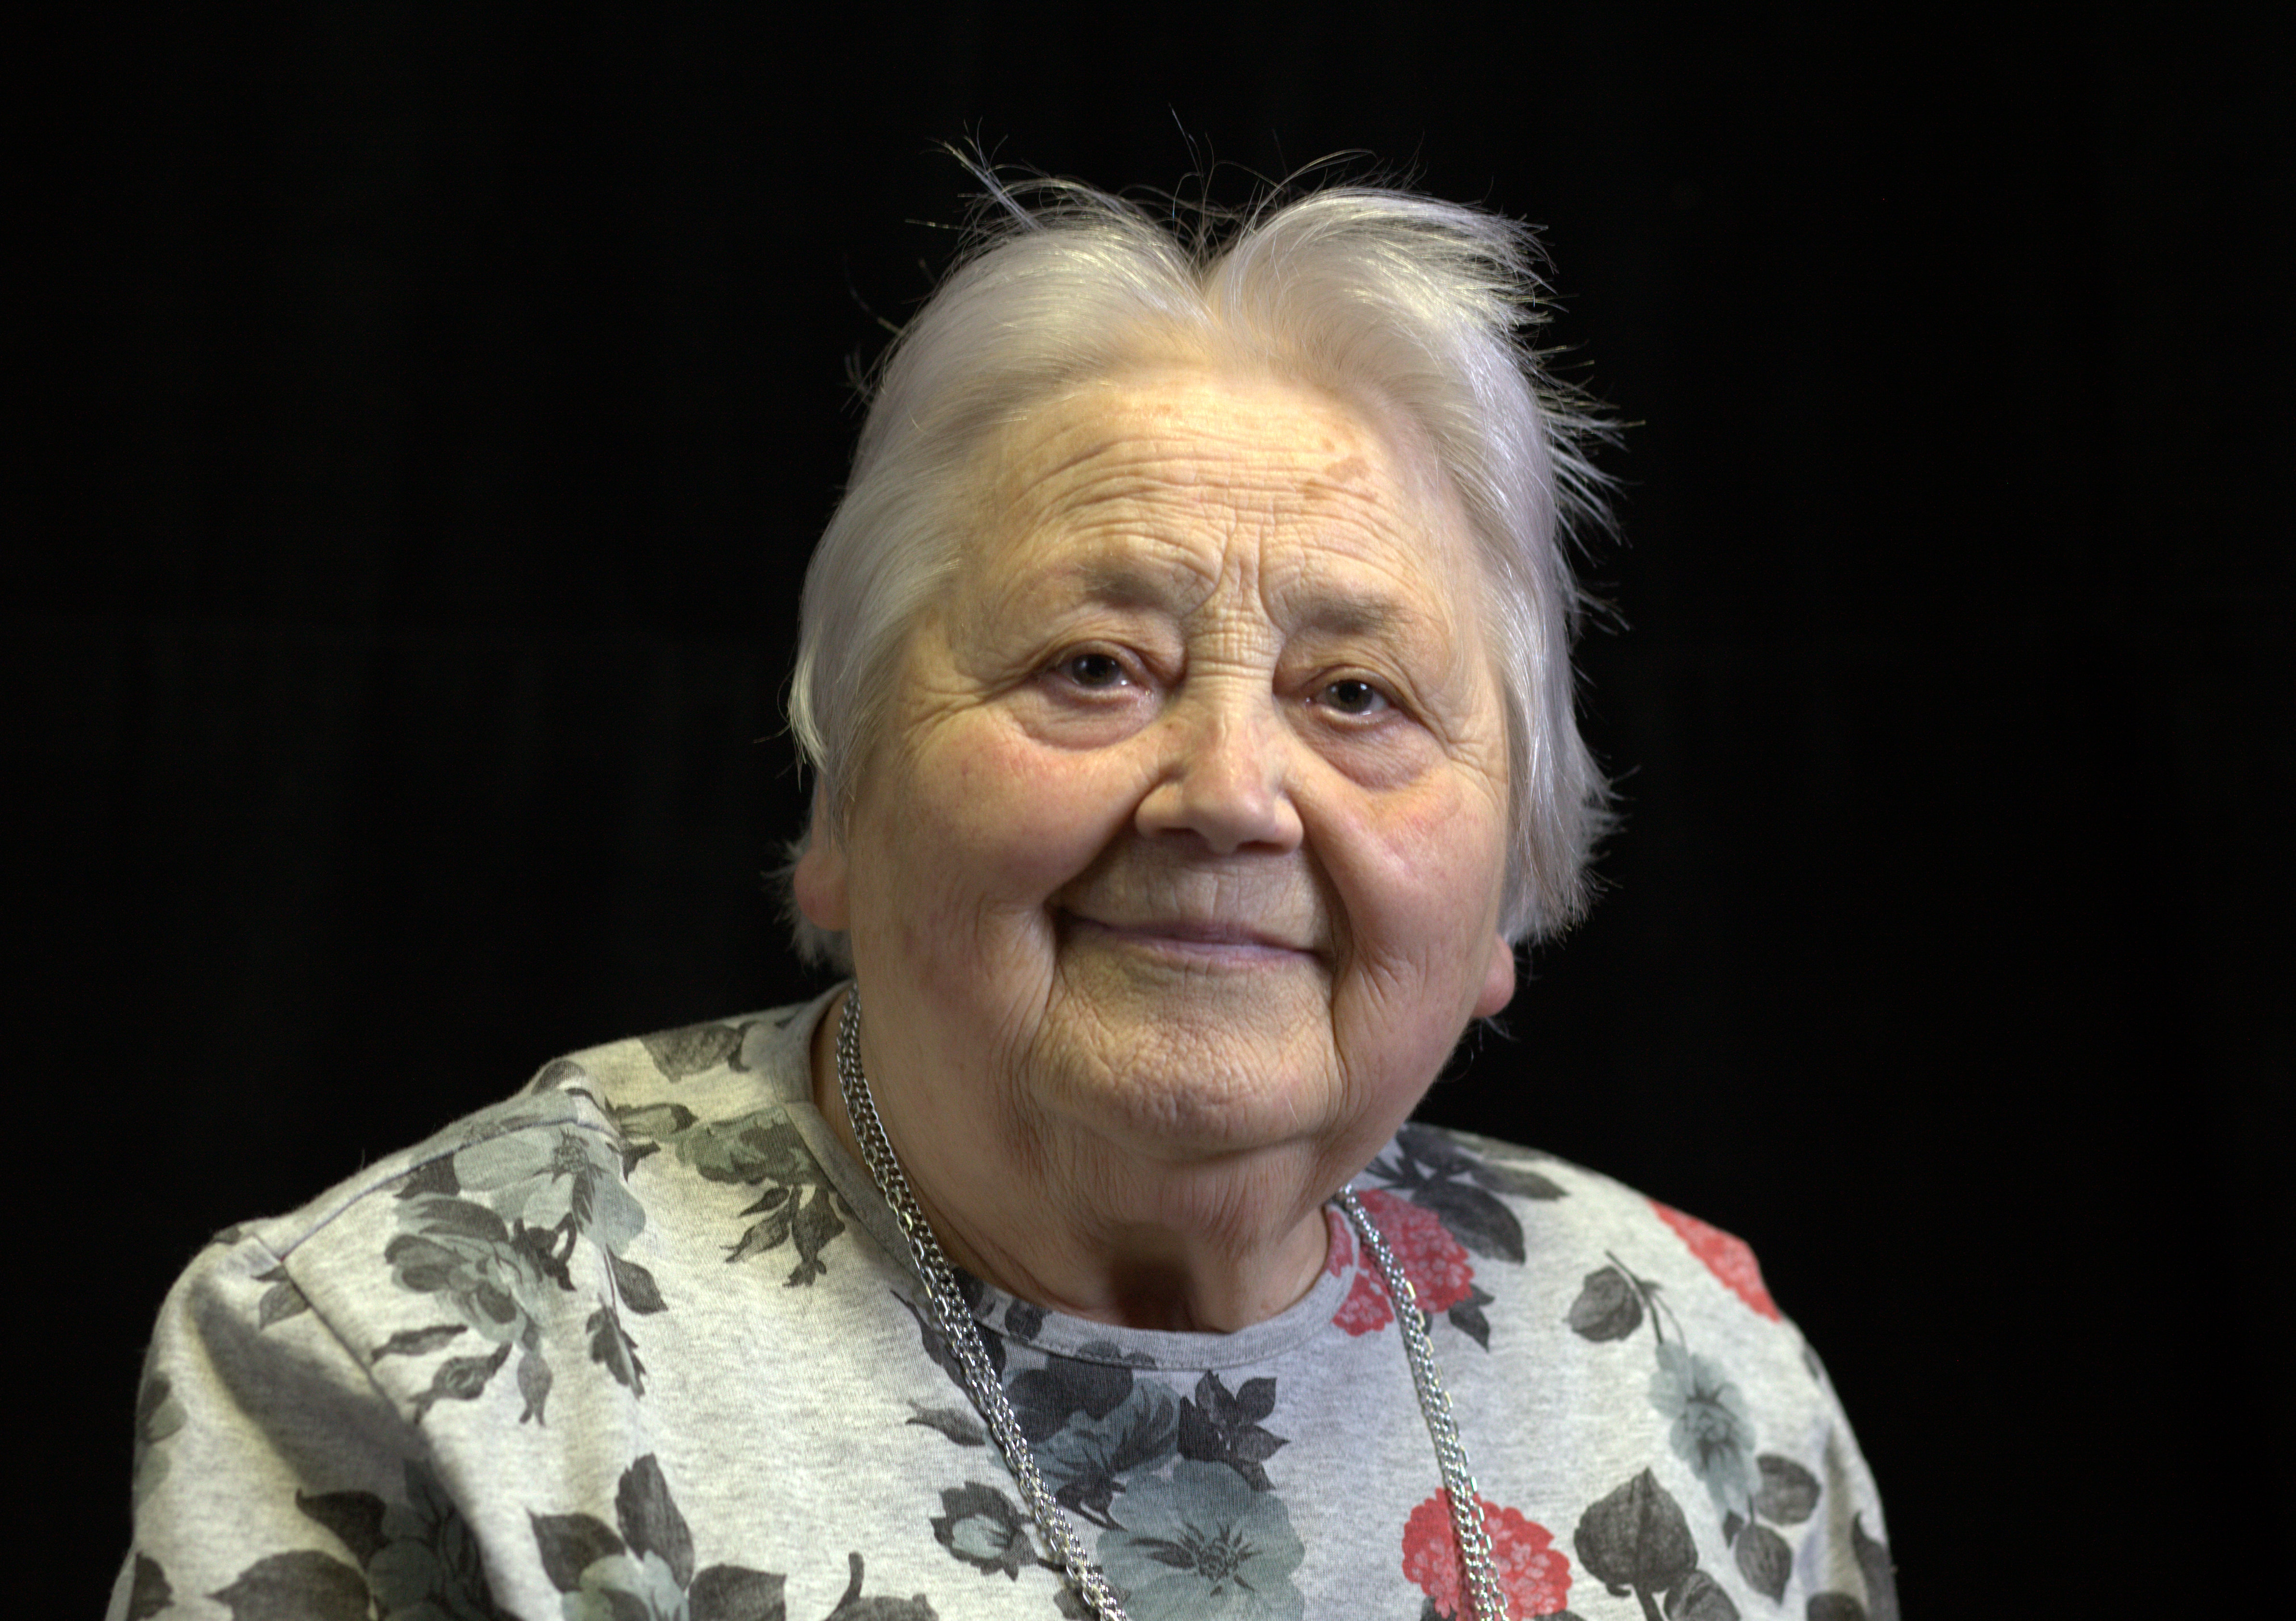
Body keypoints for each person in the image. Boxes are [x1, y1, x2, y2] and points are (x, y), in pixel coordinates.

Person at [113, 171, 1896, 1621]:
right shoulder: (403, 1368)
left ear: (1510, 878)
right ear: (848, 803)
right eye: (1094, 666)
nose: (1230, 791)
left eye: (1357, 694)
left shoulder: (1698, 1369)